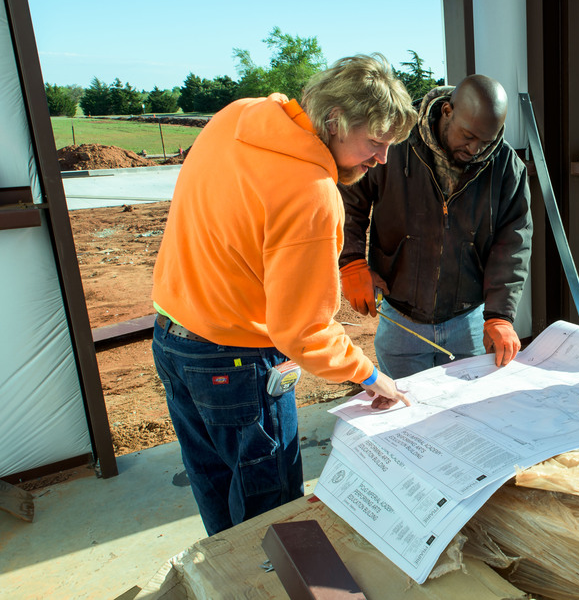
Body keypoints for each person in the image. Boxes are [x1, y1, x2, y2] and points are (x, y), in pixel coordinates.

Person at [150, 54, 418, 536]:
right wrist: (371, 376)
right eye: (375, 143)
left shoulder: (238, 116)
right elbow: (304, 332)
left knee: (213, 479)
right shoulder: (311, 193)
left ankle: (230, 577)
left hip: (173, 339)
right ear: (335, 121)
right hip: (236, 362)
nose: (381, 159)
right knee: (269, 508)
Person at [337, 74, 532, 378]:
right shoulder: (397, 141)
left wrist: (500, 316)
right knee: (402, 413)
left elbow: (514, 243)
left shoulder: (506, 167)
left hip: (467, 320)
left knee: (464, 417)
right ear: (447, 112)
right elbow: (348, 202)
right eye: (468, 136)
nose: (476, 149)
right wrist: (350, 262)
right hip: (400, 317)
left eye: (486, 140)